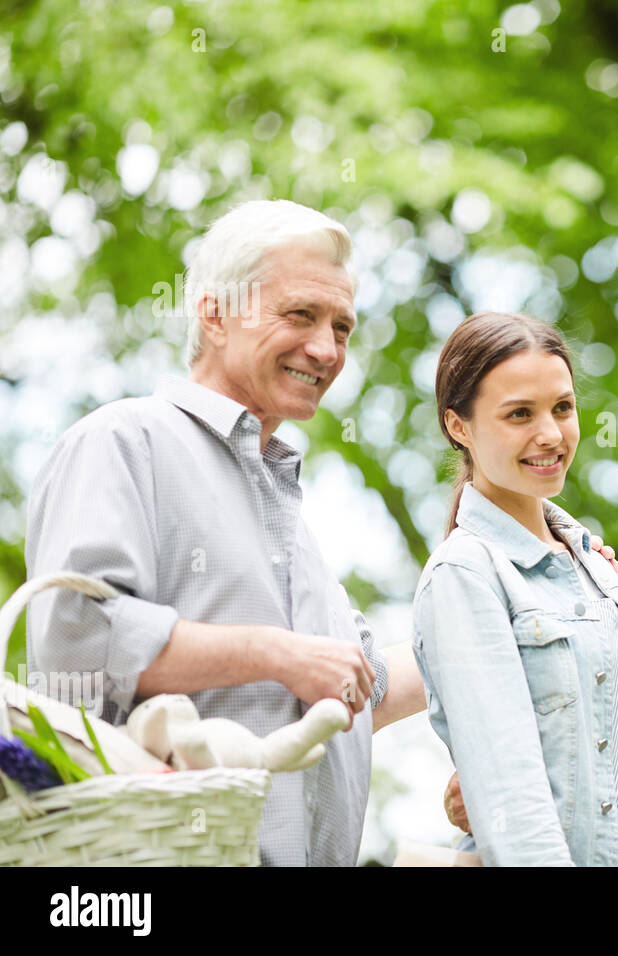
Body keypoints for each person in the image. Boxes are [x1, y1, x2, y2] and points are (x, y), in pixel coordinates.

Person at [25, 199, 427, 866]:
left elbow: (363, 687)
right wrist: (277, 653)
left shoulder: (291, 516)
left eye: (343, 327)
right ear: (215, 314)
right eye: (300, 315)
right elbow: (75, 644)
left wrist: (537, 607)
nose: (326, 349)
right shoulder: (125, 441)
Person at [411, 311, 618, 866]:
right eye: (519, 414)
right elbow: (513, 800)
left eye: (563, 407)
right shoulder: (465, 574)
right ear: (458, 426)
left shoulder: (594, 566)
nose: (551, 434)